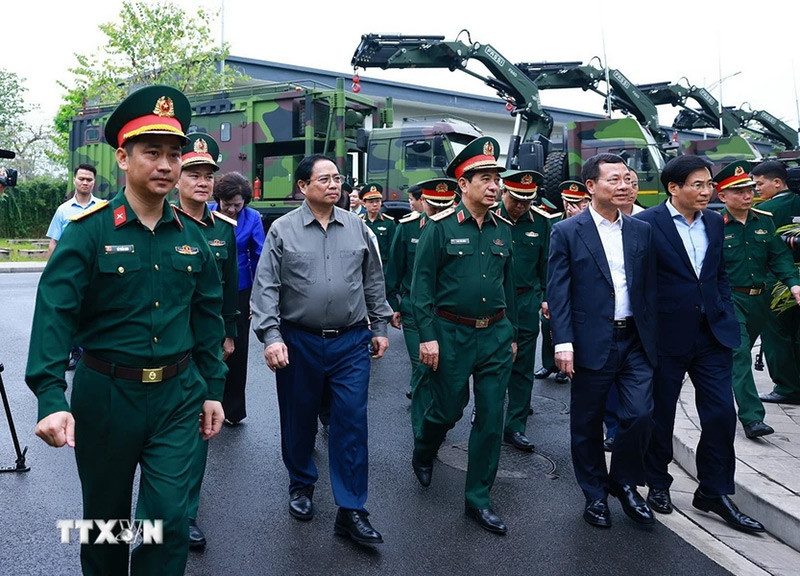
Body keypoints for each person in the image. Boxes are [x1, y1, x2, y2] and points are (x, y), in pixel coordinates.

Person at [25, 85, 228, 575]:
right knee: (106, 525)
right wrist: (51, 397)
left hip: (178, 396)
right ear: (123, 156)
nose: (166, 164)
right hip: (108, 397)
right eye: (152, 152)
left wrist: (212, 388)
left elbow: (207, 316)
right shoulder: (89, 231)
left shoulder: (193, 236)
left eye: (174, 155)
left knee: (168, 520)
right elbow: (54, 314)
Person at [250, 153, 392, 545]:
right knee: (299, 417)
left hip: (350, 341)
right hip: (300, 341)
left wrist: (379, 326)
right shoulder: (282, 230)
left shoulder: (358, 228)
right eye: (325, 179)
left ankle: (351, 509)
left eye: (338, 178)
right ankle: (301, 484)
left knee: (350, 422)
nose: (334, 185)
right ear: (303, 186)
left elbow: (373, 281)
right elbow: (266, 288)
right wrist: (272, 336)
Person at [636, 154, 764, 534]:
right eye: (698, 184)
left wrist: (722, 308)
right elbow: (638, 283)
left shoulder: (713, 220)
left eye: (709, 184)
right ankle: (657, 483)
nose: (707, 191)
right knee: (661, 415)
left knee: (722, 414)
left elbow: (718, 273)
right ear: (673, 188)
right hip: (667, 336)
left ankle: (714, 490)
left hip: (712, 333)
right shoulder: (645, 224)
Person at [410, 136, 517, 535]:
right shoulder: (438, 229)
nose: (494, 186)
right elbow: (422, 287)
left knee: (491, 418)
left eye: (496, 179)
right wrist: (427, 336)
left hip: (495, 335)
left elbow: (509, 287)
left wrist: (513, 334)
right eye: (484, 178)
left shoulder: (503, 230)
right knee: (448, 409)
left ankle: (478, 500)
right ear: (463, 185)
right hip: (450, 332)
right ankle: (424, 447)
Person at [547, 154, 657, 528]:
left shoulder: (641, 230)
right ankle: (594, 494)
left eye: (628, 179)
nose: (624, 185)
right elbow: (558, 292)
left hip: (635, 341)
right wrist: (563, 343)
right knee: (588, 423)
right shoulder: (567, 231)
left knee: (640, 415)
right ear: (591, 187)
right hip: (591, 339)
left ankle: (624, 482)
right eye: (614, 180)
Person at [174, 133, 239, 549]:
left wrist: (229, 334)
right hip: (166, 343)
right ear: (177, 178)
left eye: (208, 175)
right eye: (193, 174)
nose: (202, 182)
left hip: (206, 344)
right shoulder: (162, 223)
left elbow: (229, 289)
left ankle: (186, 514)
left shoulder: (223, 231)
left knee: (199, 428)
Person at [715, 160, 800, 439]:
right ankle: (752, 418)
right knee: (740, 355)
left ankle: (717, 393)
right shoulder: (714, 225)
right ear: (722, 196)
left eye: (750, 189)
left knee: (731, 358)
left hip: (760, 301)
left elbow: (779, 257)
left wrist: (794, 284)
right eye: (739, 191)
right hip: (730, 300)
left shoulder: (765, 219)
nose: (748, 195)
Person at [385, 178, 457, 431]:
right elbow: (394, 268)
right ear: (424, 202)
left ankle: (437, 421)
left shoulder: (459, 229)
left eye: (444, 206)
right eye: (434, 206)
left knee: (444, 371)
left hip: (447, 311)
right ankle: (422, 431)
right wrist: (394, 304)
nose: (438, 212)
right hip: (415, 308)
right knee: (423, 366)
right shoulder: (407, 228)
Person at [494, 169, 552, 452]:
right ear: (504, 192)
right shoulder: (489, 218)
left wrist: (545, 296)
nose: (521, 206)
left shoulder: (542, 223)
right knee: (491, 363)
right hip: (495, 304)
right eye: (516, 199)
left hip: (526, 300)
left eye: (527, 201)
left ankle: (515, 426)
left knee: (523, 368)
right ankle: (487, 412)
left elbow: (546, 266)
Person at [210, 172, 265, 425]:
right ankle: (207, 402)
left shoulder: (252, 218)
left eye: (237, 205)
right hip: (209, 289)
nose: (232, 209)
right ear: (218, 199)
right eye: (227, 204)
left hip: (240, 291)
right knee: (208, 345)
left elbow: (260, 257)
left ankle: (232, 409)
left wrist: (257, 297)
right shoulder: (206, 213)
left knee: (236, 349)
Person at [751, 160, 800, 405]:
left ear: (778, 182)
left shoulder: (767, 210)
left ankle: (788, 387)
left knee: (777, 334)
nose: (756, 189)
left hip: (778, 281)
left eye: (760, 184)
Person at [535, 180, 590, 385]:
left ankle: (564, 367)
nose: (570, 206)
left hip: (579, 285)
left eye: (577, 202)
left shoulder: (588, 222)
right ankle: (549, 363)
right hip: (555, 282)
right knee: (548, 323)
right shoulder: (551, 222)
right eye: (567, 201)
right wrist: (544, 296)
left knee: (573, 327)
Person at [359, 182, 395, 270]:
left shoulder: (389, 222)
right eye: (371, 202)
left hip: (383, 265)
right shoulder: (359, 222)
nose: (375, 204)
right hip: (364, 265)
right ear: (364, 204)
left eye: (377, 201)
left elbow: (393, 249)